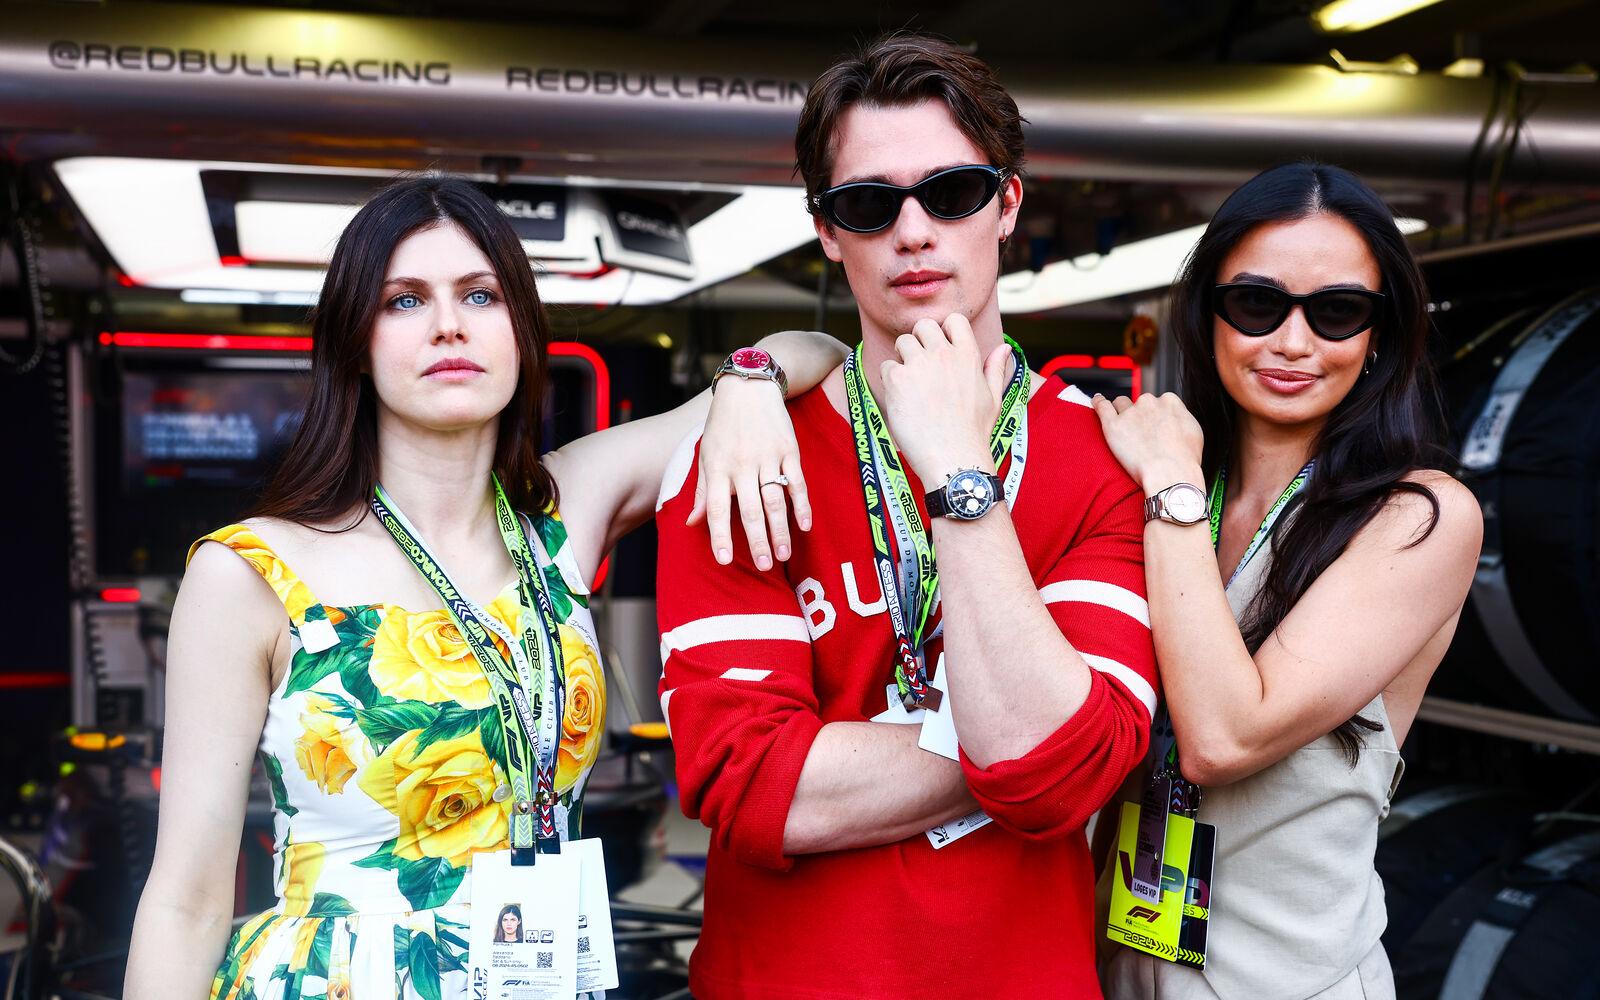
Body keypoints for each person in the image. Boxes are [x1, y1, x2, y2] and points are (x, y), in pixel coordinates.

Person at [121, 176, 848, 1000]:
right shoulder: (249, 573)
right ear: (355, 340)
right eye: (403, 301)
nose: (448, 325)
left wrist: (745, 385)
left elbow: (820, 352)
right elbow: (186, 898)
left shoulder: (565, 512)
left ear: (520, 329)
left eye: (479, 294)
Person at [654, 33, 1158, 999]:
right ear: (828, 232)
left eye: (953, 192)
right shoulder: (740, 457)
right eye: (869, 203)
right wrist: (1020, 738)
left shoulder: (1107, 459)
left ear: (1008, 204)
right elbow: (747, 783)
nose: (914, 230)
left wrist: (957, 470)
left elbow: (1063, 778)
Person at [1093, 162, 1482, 999]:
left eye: (1338, 310)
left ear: (1380, 332)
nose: (1294, 343)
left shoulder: (1420, 516)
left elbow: (1224, 738)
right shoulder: (1165, 480)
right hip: (1115, 969)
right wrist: (766, 372)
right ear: (1209, 316)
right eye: (1259, 304)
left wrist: (1170, 488)